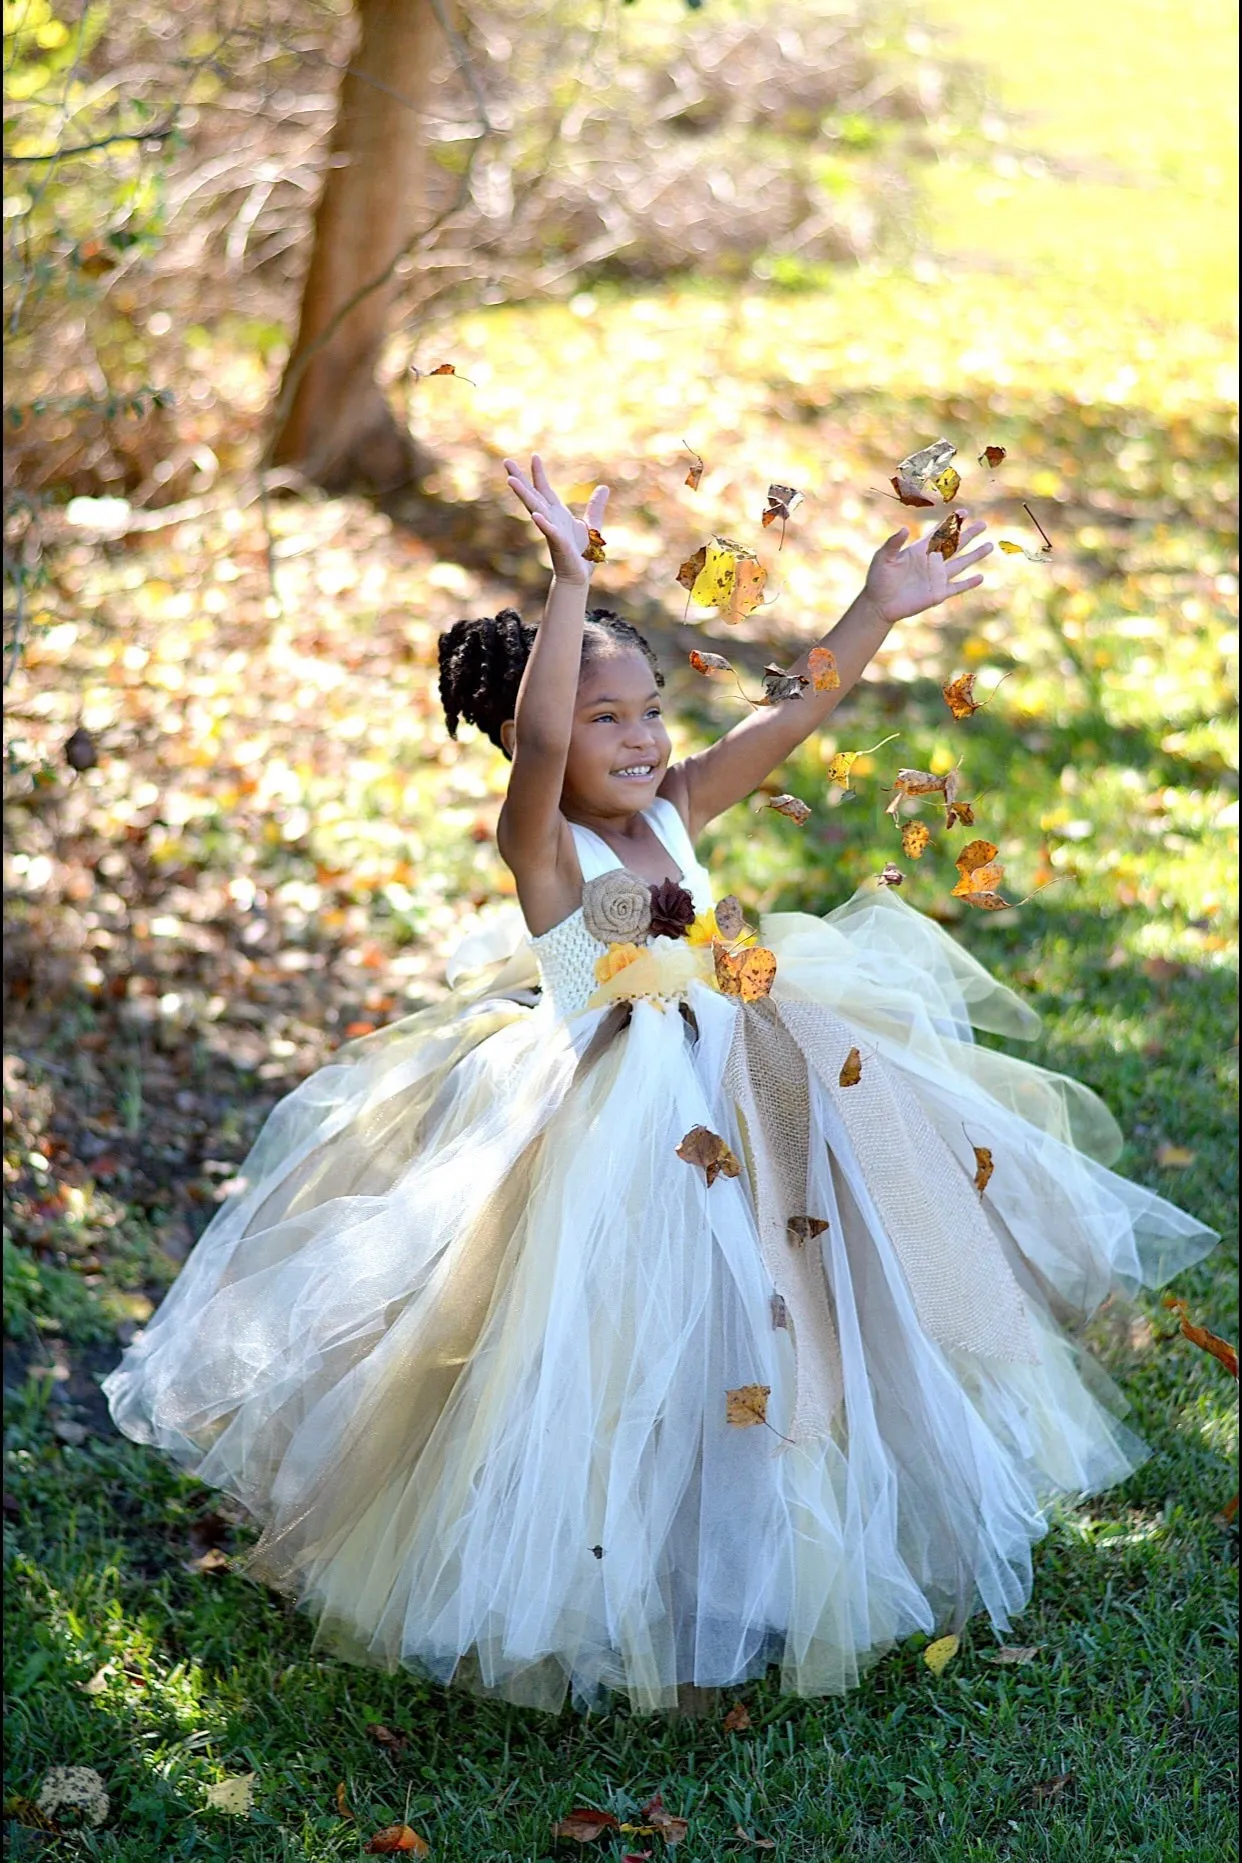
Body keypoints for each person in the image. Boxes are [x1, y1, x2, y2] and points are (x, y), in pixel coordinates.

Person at [104, 456, 1215, 1716]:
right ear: (539, 739)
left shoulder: (675, 809)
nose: (639, 736)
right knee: (630, 1346)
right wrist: (571, 581)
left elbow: (788, 715)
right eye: (603, 717)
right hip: (622, 1131)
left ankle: (771, 1549)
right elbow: (536, 743)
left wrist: (874, 607)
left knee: (793, 1310)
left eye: (648, 710)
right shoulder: (545, 843)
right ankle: (621, 1574)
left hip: (764, 1079)